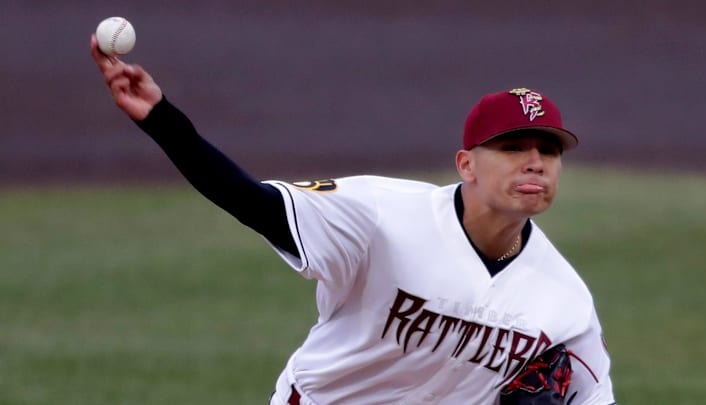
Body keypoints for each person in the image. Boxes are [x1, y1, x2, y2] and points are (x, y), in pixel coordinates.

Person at [90, 34, 615, 405]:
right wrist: (163, 121)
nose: (535, 162)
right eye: (513, 147)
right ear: (466, 164)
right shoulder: (382, 215)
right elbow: (252, 203)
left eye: (549, 150)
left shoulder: (564, 300)